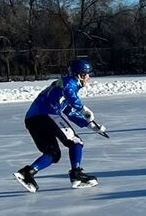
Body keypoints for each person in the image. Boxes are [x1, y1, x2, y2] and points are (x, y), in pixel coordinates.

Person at [14, 58, 107, 191]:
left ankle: (27, 173)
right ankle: (77, 175)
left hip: (32, 119)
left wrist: (90, 124)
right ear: (80, 75)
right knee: (75, 142)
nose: (89, 78)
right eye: (87, 75)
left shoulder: (61, 85)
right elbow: (70, 95)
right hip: (47, 114)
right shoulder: (69, 82)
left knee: (53, 153)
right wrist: (82, 108)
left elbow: (69, 111)